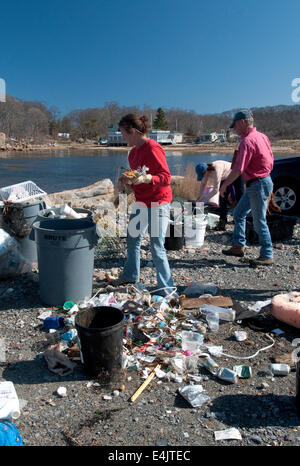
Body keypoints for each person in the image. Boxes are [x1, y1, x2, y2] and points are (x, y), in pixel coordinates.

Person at [110, 113, 174, 296]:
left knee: (156, 245)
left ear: (132, 131)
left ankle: (166, 289)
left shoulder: (153, 148)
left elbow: (166, 177)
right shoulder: (133, 153)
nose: (122, 137)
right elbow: (136, 177)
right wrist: (127, 182)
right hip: (141, 202)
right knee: (133, 239)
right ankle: (131, 276)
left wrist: (148, 178)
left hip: (158, 202)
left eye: (123, 133)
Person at [221, 109, 274, 265]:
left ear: (243, 122)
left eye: (235, 125)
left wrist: (225, 184)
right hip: (260, 182)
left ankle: (267, 254)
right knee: (239, 213)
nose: (234, 129)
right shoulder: (262, 136)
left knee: (259, 221)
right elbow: (270, 159)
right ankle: (238, 246)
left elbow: (238, 169)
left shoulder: (247, 141)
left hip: (258, 184)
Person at [195, 160, 243, 231]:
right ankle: (222, 223)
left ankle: (239, 220)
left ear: (207, 170)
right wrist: (198, 199)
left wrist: (204, 198)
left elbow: (215, 190)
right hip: (225, 177)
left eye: (203, 175)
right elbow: (202, 185)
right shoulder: (206, 172)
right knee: (222, 199)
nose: (203, 177)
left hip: (236, 174)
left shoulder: (217, 169)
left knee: (239, 197)